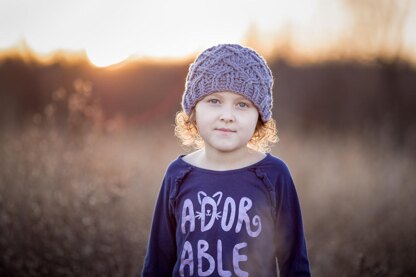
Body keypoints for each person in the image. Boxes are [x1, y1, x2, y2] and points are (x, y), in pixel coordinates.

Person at [142, 44, 311, 276]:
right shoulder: (178, 174)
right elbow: (157, 263)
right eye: (214, 101)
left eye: (242, 104)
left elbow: (295, 264)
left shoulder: (274, 175)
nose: (227, 116)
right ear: (194, 109)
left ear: (259, 116)